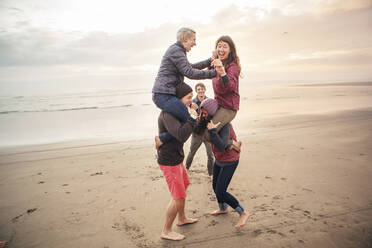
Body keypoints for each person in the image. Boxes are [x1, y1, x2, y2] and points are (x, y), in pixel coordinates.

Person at [152, 27, 217, 147]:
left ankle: (161, 139)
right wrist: (214, 73)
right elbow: (190, 72)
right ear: (185, 39)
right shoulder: (176, 51)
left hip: (165, 94)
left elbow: (190, 67)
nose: (195, 43)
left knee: (185, 120)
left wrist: (209, 61)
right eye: (193, 39)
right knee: (191, 121)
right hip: (163, 95)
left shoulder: (178, 51)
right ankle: (213, 136)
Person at [157, 83, 199, 241]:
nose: (191, 99)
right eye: (188, 97)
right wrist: (192, 117)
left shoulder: (178, 112)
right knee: (178, 196)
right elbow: (181, 135)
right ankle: (166, 230)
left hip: (177, 158)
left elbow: (188, 129)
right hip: (169, 161)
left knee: (184, 186)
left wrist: (192, 116)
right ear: (178, 99)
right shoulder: (168, 114)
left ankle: (182, 219)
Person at [200, 98, 250, 228]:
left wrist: (212, 131)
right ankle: (223, 208)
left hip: (230, 160)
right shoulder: (211, 122)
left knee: (221, 191)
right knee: (215, 186)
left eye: (205, 112)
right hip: (219, 159)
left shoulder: (225, 124)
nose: (203, 114)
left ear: (211, 111)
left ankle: (243, 212)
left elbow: (222, 145)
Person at [202, 35, 242, 152]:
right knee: (201, 126)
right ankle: (229, 139)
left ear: (230, 51)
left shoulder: (232, 66)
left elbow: (231, 86)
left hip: (229, 108)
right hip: (218, 105)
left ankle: (232, 144)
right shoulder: (217, 63)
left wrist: (223, 73)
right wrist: (212, 59)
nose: (221, 49)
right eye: (219, 46)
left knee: (207, 134)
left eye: (225, 47)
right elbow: (207, 73)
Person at [185, 83, 214, 176]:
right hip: (197, 132)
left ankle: (211, 174)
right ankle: (186, 169)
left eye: (202, 89)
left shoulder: (209, 101)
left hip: (207, 132)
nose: (200, 90)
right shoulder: (191, 102)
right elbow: (187, 116)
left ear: (205, 90)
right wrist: (191, 109)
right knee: (192, 152)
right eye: (198, 89)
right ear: (196, 91)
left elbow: (213, 115)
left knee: (210, 154)